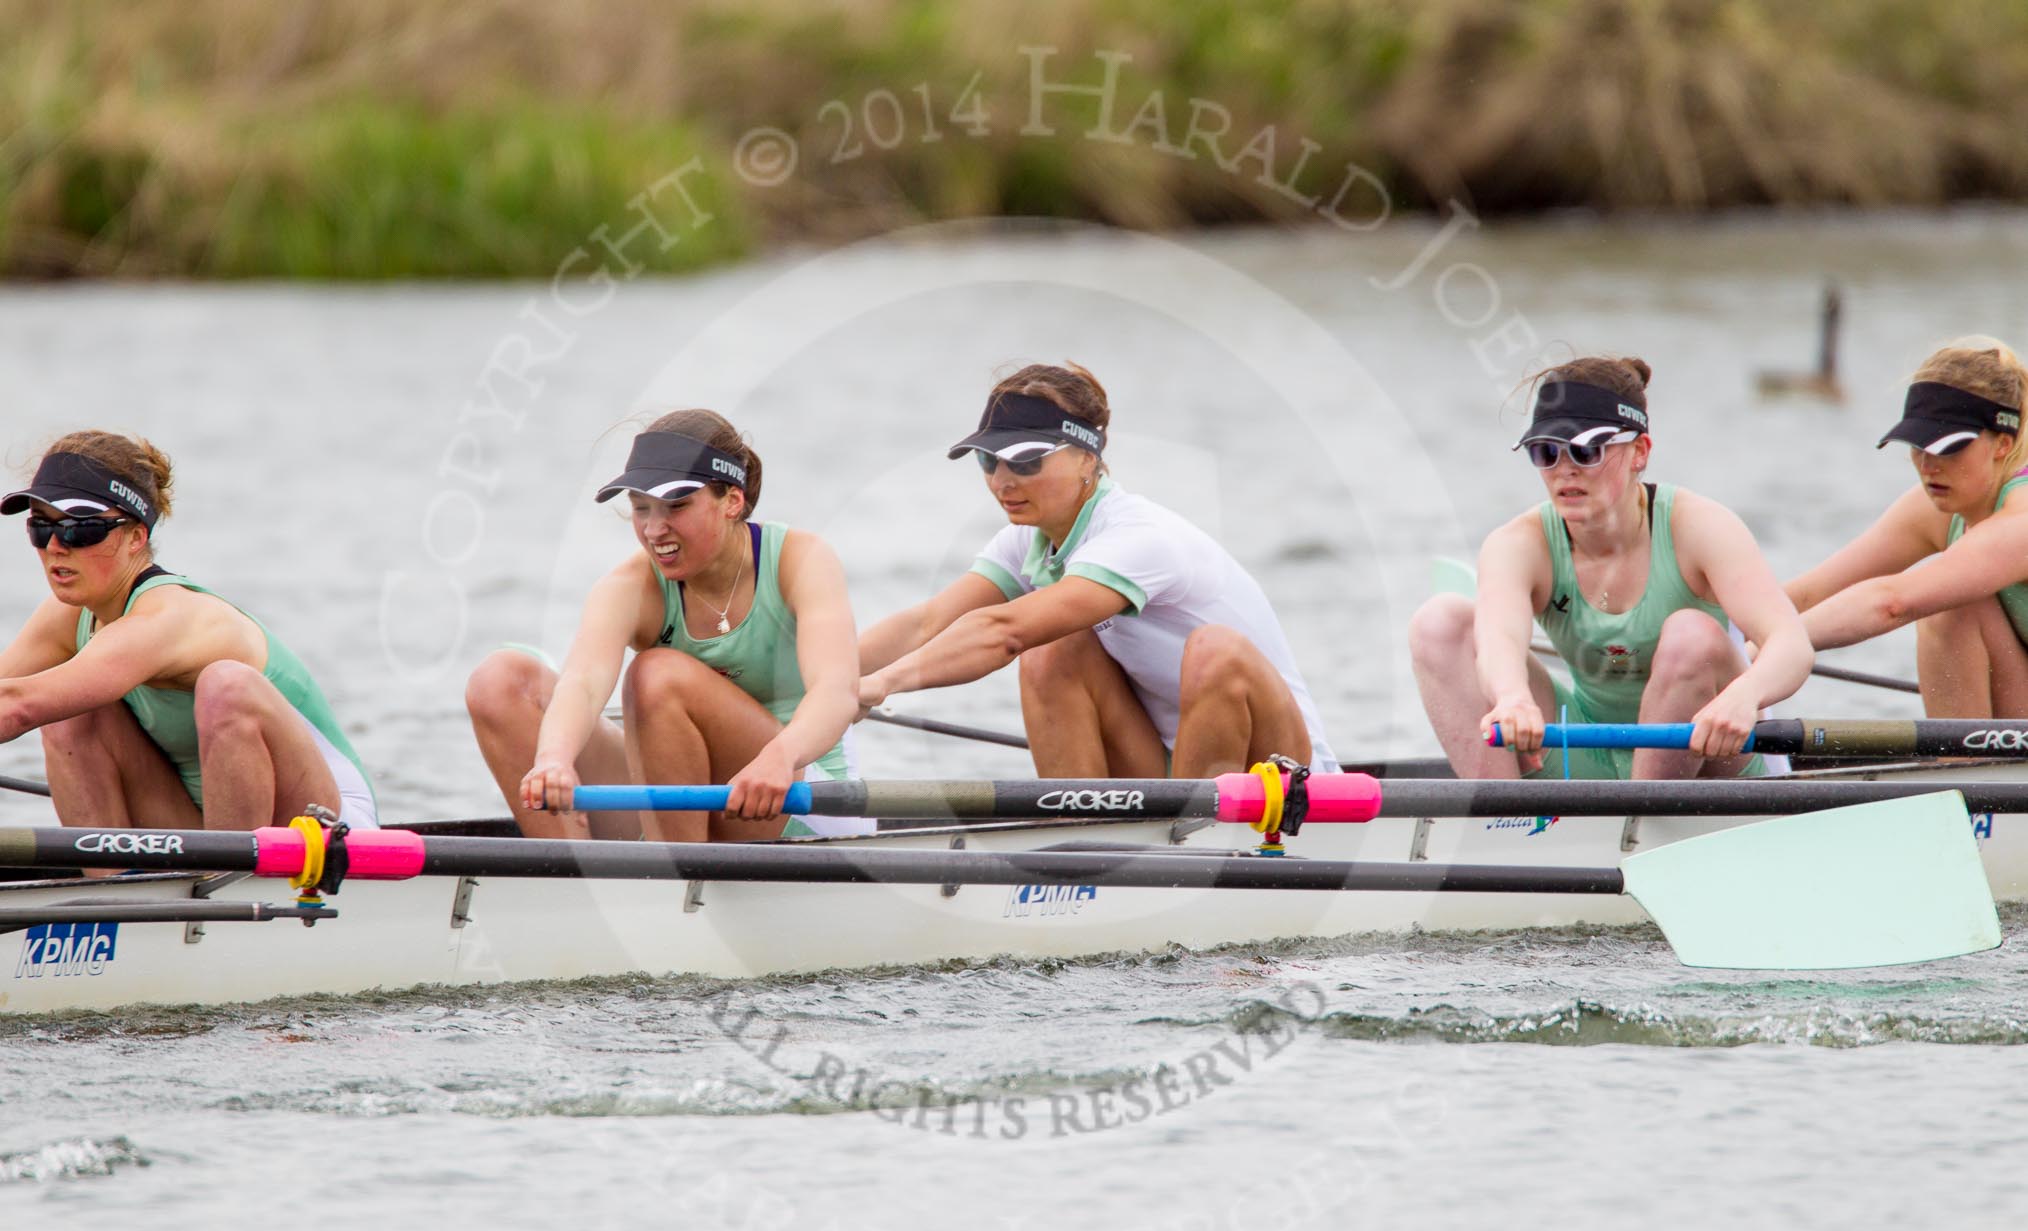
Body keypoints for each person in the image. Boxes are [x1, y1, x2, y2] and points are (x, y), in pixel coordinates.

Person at [856, 362, 1338, 777]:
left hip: (1280, 772)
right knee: (1053, 649)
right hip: (1166, 765)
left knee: (1215, 648)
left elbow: (1003, 633)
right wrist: (816, 683)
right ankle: (1081, 841)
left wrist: (880, 686)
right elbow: (926, 623)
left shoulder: (1139, 537)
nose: (1002, 481)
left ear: (1088, 456)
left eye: (1025, 461)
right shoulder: (1030, 538)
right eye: (988, 460)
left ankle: (1187, 845)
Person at [465, 410, 865, 841]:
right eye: (640, 508)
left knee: (656, 675)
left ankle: (672, 883)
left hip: (798, 796)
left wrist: (781, 755)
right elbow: (582, 684)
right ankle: (574, 884)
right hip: (690, 800)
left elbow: (836, 693)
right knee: (500, 681)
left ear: (732, 500)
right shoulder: (627, 587)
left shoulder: (799, 560)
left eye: (676, 506)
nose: (655, 530)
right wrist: (554, 759)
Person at [1409, 356, 1812, 779]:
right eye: (1546, 452)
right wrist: (1512, 699)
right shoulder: (1517, 544)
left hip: (1709, 754)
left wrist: (1745, 696)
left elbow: (1791, 645)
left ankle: (1642, 825)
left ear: (1640, 451)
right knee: (1439, 622)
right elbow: (1499, 643)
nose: (1564, 469)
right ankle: (1504, 823)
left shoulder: (1702, 527)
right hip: (1588, 747)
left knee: (1691, 634)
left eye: (1586, 450)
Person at [0, 431, 376, 829]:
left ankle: (222, 883)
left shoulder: (167, 617)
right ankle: (113, 887)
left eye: (81, 529)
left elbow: (18, 708)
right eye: (42, 528)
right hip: (208, 825)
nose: (56, 546)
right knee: (66, 708)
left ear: (135, 537)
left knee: (225, 684)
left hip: (325, 826)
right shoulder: (68, 616)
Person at [1785, 339, 2028, 717]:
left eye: (1948, 448)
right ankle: (1964, 768)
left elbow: (1891, 604)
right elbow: (1805, 597)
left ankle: (1960, 771)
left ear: (2002, 443)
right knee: (1959, 600)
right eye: (1919, 446)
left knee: (1945, 604)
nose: (1929, 466)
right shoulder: (1936, 507)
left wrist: (1763, 654)